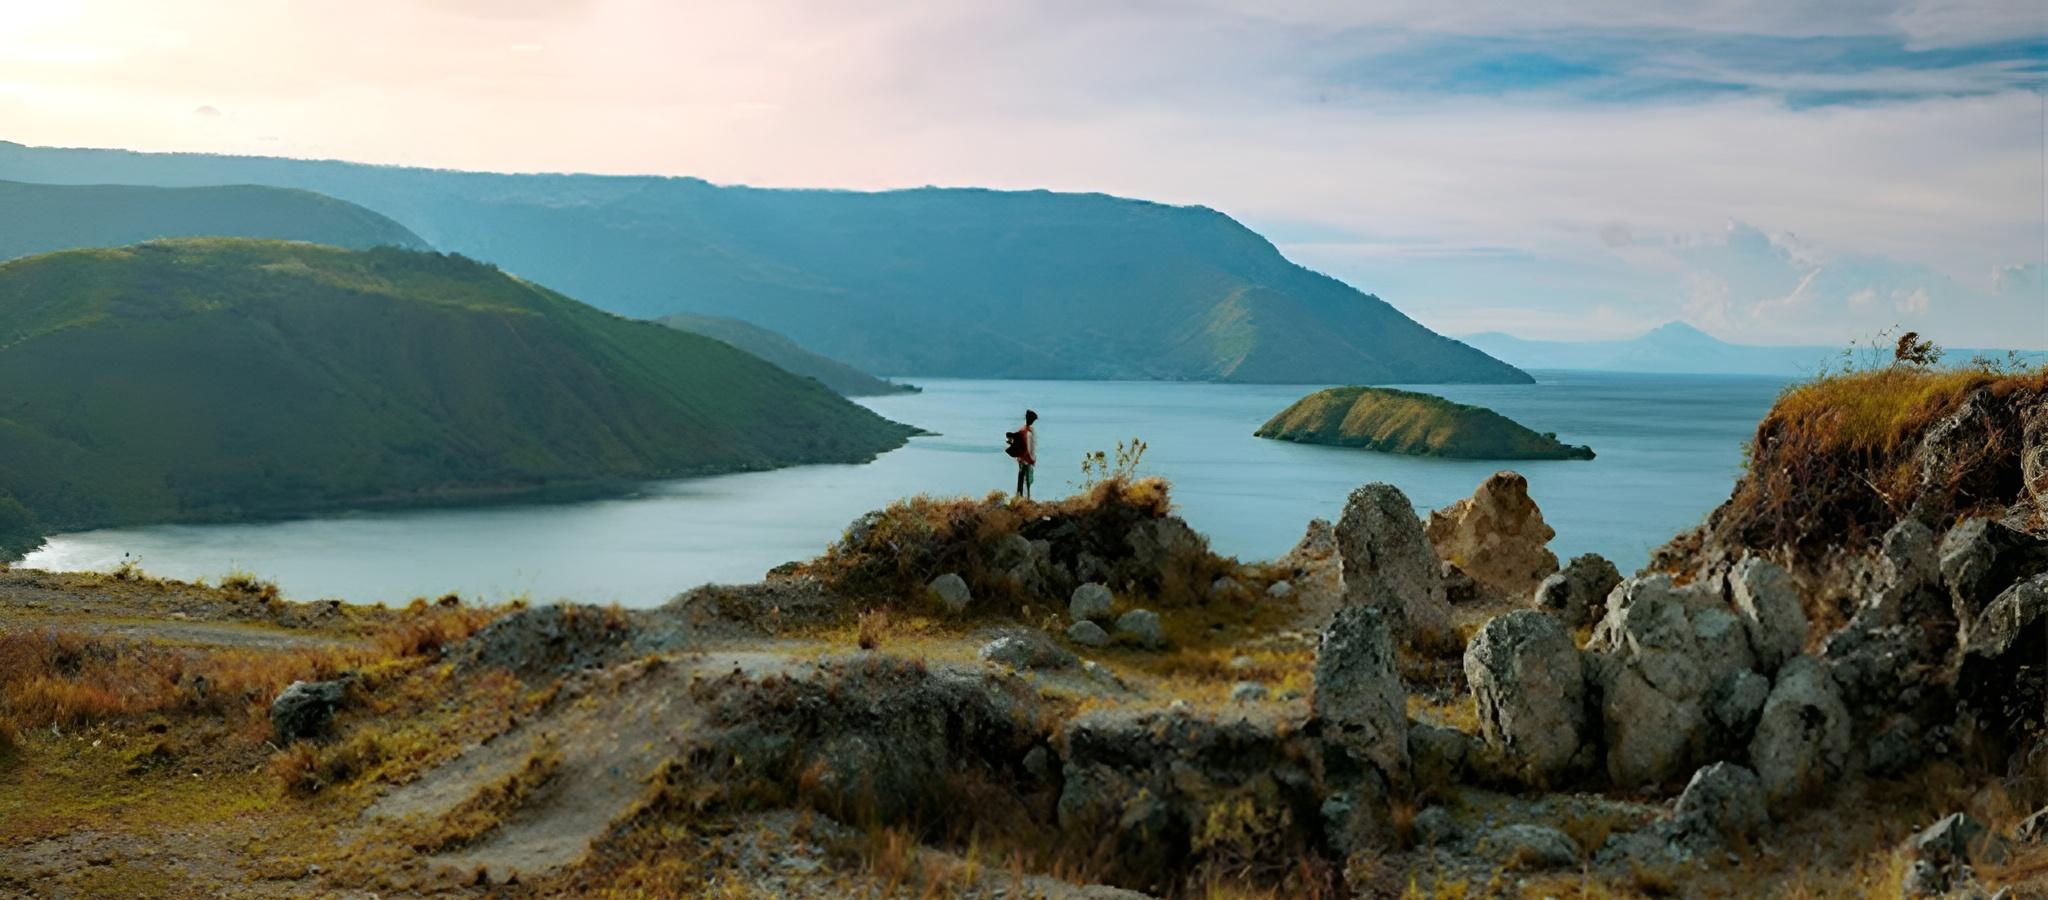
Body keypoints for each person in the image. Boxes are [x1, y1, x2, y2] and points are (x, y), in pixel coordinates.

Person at [1013, 409, 1038, 500]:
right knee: (1027, 480)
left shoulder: (1022, 430)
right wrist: (1031, 460)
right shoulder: (1028, 432)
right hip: (1026, 459)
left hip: (1021, 459)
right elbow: (1028, 449)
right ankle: (1026, 499)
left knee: (1022, 478)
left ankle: (1020, 498)